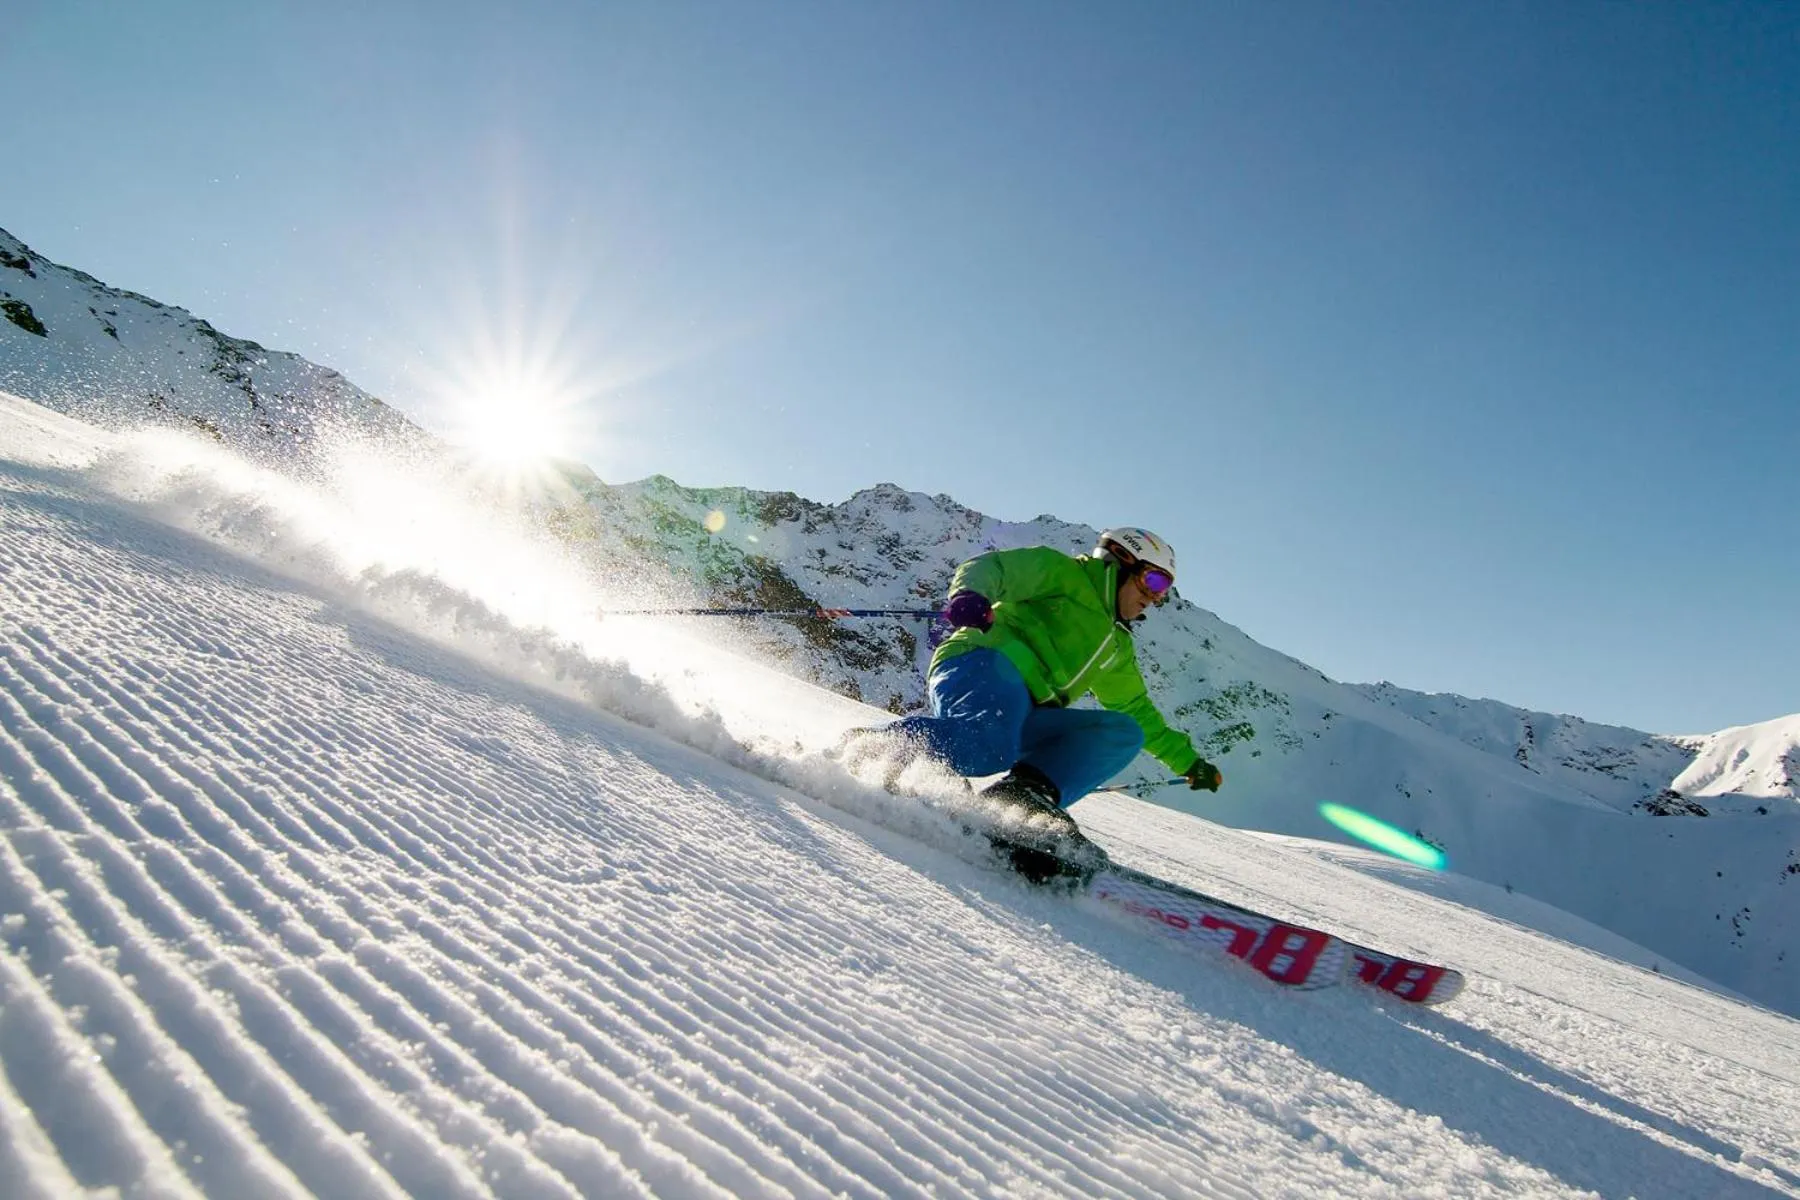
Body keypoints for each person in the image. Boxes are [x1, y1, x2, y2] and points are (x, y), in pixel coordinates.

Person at [846, 527, 1223, 875]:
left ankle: (1021, 798)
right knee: (988, 745)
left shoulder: (1116, 646)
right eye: (1154, 580)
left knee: (1124, 731)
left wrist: (1188, 761)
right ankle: (878, 747)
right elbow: (994, 567)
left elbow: (1138, 709)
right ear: (1121, 561)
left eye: (1164, 591)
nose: (1154, 598)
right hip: (983, 663)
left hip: (1027, 710)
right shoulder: (1066, 575)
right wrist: (970, 595)